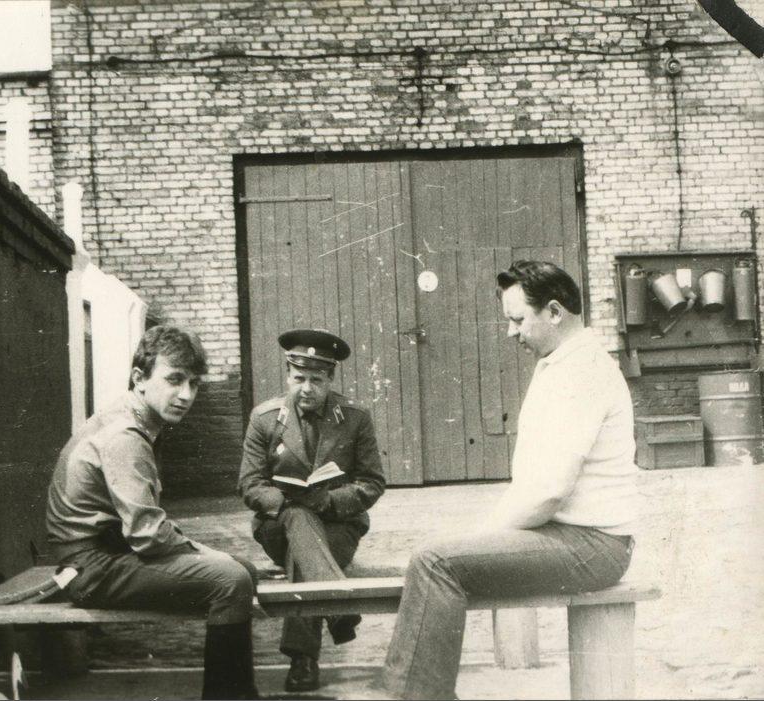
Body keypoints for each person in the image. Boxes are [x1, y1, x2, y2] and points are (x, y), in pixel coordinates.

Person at [382, 260, 640, 700]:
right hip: (572, 536)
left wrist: (483, 534)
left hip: (593, 545)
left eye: (518, 320)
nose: (509, 332)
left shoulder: (582, 372)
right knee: (441, 552)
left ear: (555, 312)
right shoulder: (562, 362)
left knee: (435, 561)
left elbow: (549, 491)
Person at [45, 325, 258, 700]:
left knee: (242, 570)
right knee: (231, 579)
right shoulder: (126, 435)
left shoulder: (132, 420)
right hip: (91, 567)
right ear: (139, 378)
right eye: (174, 379)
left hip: (104, 556)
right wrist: (209, 553)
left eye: (194, 383)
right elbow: (148, 534)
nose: (186, 395)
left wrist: (205, 553)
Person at [239, 328, 386, 692]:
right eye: (298, 378)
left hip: (338, 526)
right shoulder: (264, 419)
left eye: (316, 380)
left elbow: (372, 482)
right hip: (278, 525)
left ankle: (303, 658)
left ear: (330, 379)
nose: (306, 388)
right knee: (297, 516)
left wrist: (329, 501)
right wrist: (286, 502)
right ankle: (336, 606)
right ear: (288, 376)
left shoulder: (354, 418)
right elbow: (250, 484)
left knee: (302, 548)